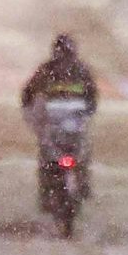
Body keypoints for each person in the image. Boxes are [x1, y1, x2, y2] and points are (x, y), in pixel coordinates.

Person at [20, 34, 100, 233]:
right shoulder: (81, 70)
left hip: (54, 125)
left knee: (49, 159)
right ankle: (81, 185)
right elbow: (92, 98)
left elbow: (27, 94)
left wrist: (31, 114)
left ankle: (49, 194)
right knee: (81, 156)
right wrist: (85, 113)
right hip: (73, 123)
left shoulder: (47, 70)